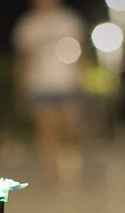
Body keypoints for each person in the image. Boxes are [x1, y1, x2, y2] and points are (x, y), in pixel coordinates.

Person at [12, 0, 86, 188]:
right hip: (40, 83)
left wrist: (82, 79)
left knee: (70, 126)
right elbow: (22, 58)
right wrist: (21, 86)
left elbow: (82, 52)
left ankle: (71, 165)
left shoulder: (69, 20)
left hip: (67, 81)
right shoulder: (28, 25)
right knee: (47, 129)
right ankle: (53, 173)